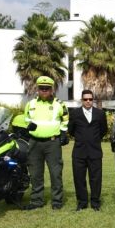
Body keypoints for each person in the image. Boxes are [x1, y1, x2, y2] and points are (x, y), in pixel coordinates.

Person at [23, 76, 69, 210]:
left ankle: (57, 201)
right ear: (37, 89)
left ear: (51, 89)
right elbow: (26, 119)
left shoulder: (59, 104)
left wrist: (63, 132)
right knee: (35, 173)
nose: (44, 90)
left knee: (55, 173)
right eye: (41, 88)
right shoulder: (30, 104)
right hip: (34, 143)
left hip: (52, 143)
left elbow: (65, 118)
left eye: (47, 88)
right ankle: (37, 201)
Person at [68, 90, 108, 211]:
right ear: (82, 100)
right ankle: (82, 202)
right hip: (79, 152)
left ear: (93, 100)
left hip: (95, 151)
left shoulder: (100, 114)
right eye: (85, 99)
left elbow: (103, 130)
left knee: (96, 179)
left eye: (90, 99)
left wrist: (93, 139)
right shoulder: (75, 113)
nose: (88, 101)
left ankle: (95, 203)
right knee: (79, 178)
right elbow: (71, 130)